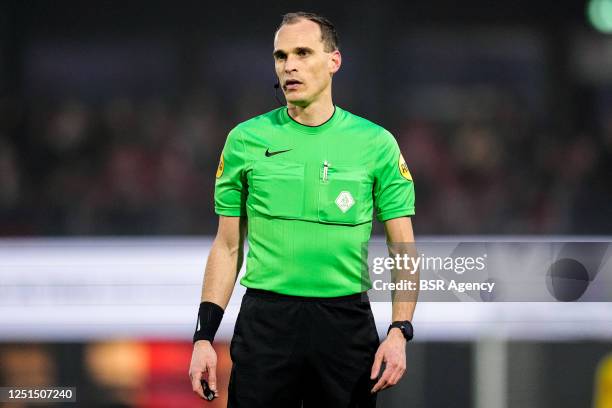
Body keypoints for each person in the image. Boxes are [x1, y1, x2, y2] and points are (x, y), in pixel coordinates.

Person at [188, 11, 417, 408]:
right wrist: (204, 337)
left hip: (345, 324)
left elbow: (404, 249)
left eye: (303, 52)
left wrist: (399, 331)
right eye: (281, 56)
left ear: (334, 62)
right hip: (266, 323)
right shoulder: (244, 140)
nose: (289, 65)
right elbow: (227, 247)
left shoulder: (376, 144)